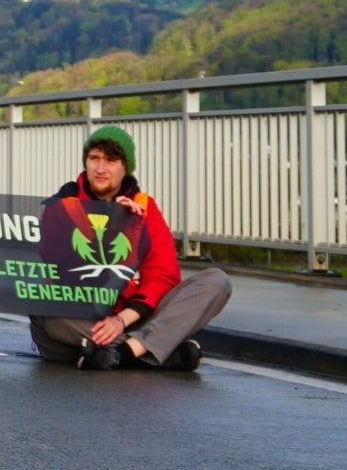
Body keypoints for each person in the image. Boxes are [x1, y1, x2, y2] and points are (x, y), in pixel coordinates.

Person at [29, 124, 231, 371]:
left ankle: (123, 354)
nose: (100, 169)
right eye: (94, 159)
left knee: (216, 281)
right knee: (43, 307)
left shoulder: (144, 207)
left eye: (111, 160)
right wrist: (114, 226)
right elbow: (68, 273)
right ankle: (157, 349)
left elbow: (163, 276)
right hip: (81, 318)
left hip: (132, 318)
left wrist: (122, 320)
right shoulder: (61, 208)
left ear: (125, 167)